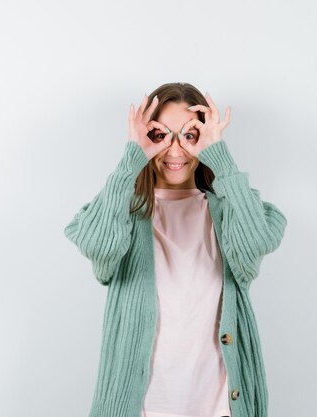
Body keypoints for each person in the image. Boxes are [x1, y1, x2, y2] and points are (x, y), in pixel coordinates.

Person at [64, 82, 287, 417]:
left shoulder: (229, 209)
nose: (175, 149)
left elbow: (255, 243)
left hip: (221, 408)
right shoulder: (123, 212)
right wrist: (131, 160)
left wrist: (220, 158)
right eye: (160, 135)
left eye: (190, 135)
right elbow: (97, 244)